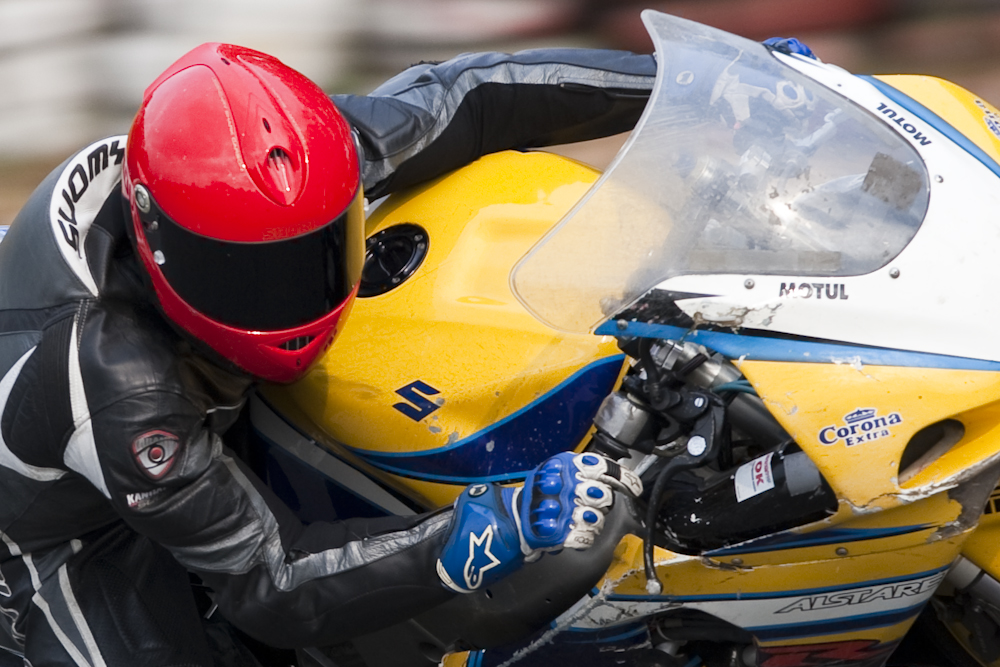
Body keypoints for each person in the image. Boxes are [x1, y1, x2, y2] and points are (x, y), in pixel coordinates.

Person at [0, 42, 652, 666]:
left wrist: (673, 79)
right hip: (62, 533)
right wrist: (492, 525)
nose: (287, 301)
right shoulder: (121, 381)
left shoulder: (297, 167)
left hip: (194, 405)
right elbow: (272, 579)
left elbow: (476, 93)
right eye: (247, 276)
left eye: (315, 252)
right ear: (156, 243)